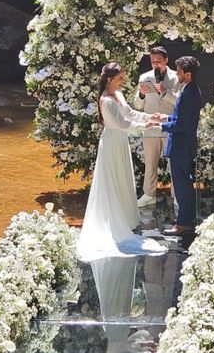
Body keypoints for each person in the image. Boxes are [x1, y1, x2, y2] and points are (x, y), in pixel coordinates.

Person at [77, 62, 167, 261]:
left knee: (123, 177)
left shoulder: (118, 95)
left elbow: (130, 114)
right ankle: (112, 221)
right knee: (113, 179)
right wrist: (145, 126)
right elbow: (121, 123)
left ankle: (125, 219)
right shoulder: (106, 100)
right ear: (110, 79)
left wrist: (150, 117)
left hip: (121, 141)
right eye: (119, 78)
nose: (123, 81)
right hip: (111, 142)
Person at [147, 56, 202, 235]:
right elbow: (181, 117)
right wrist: (166, 117)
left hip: (181, 147)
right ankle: (185, 219)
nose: (176, 74)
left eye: (179, 71)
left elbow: (180, 125)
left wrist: (160, 126)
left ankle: (183, 223)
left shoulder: (188, 93)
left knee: (182, 186)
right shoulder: (191, 90)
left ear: (188, 74)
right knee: (184, 184)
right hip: (183, 146)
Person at [134, 46, 181, 208]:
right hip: (151, 128)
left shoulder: (176, 78)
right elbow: (137, 105)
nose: (156, 64)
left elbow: (180, 103)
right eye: (153, 61)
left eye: (159, 61)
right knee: (150, 163)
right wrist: (141, 94)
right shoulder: (145, 77)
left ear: (166, 60)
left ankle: (177, 195)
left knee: (174, 164)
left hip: (170, 127)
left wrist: (166, 92)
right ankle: (149, 194)